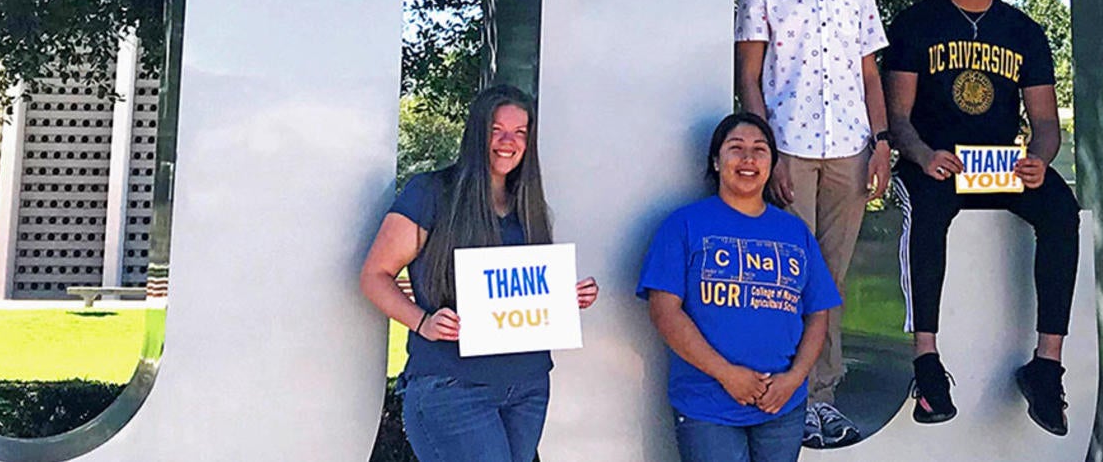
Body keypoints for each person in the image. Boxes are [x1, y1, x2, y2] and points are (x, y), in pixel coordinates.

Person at [881, 0, 1082, 435]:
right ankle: (927, 363)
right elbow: (897, 116)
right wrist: (923, 155)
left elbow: (1043, 121)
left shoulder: (1024, 31)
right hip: (935, 161)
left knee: (1061, 210)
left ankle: (1046, 365)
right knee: (928, 211)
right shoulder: (916, 24)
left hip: (996, 164)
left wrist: (1039, 159)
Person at [356, 85, 601, 462]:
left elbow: (523, 290)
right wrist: (423, 322)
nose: (509, 141)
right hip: (453, 384)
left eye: (520, 132)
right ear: (476, 132)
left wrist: (563, 298)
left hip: (528, 386)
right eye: (497, 129)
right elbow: (375, 275)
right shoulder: (431, 193)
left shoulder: (530, 206)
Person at [734, 0, 893, 446]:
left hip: (849, 148)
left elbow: (870, 75)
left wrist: (880, 141)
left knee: (832, 277)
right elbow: (749, 76)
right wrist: (765, 149)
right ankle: (786, 395)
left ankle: (822, 398)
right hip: (790, 149)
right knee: (787, 276)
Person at [641, 113, 844, 462]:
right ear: (716, 161)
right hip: (708, 404)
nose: (748, 159)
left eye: (760, 150)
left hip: (782, 405)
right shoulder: (684, 225)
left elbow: (818, 313)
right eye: (736, 148)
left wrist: (795, 379)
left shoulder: (795, 233)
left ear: (772, 164)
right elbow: (664, 312)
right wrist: (728, 375)